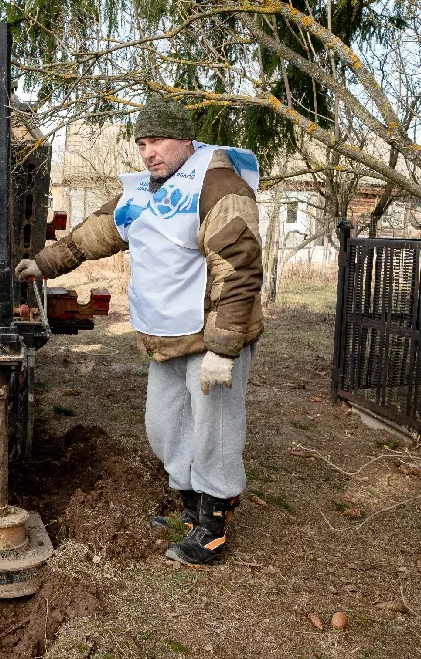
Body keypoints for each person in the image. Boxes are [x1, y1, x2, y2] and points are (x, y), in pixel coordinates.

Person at [15, 96, 263, 565]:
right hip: (164, 335)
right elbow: (92, 235)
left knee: (215, 429)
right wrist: (44, 264)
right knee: (165, 425)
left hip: (209, 335)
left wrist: (224, 348)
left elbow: (239, 268)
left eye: (158, 142)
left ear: (185, 139)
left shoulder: (219, 186)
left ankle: (213, 523)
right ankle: (190, 507)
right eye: (142, 144)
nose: (149, 153)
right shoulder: (144, 192)